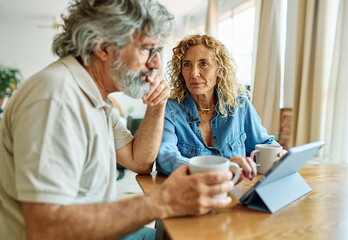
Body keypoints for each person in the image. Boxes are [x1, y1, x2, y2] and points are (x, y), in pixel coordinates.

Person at [0, 2, 236, 240]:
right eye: (147, 50)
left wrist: (158, 105)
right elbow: (46, 230)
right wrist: (160, 202)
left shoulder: (98, 100)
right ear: (104, 47)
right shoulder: (56, 99)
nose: (155, 64)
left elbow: (139, 161)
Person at [156, 34, 286, 178]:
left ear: (219, 69)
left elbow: (263, 144)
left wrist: (279, 154)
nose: (194, 73)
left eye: (203, 63)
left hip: (237, 191)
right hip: (191, 194)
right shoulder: (170, 109)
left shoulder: (239, 104)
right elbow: (165, 157)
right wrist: (220, 169)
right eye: (187, 64)